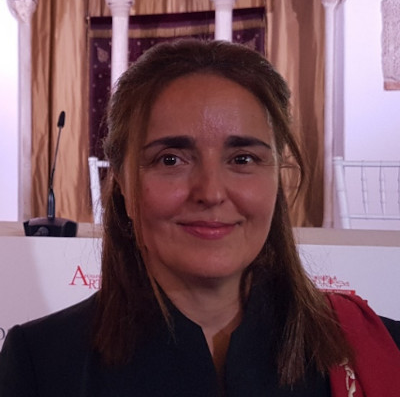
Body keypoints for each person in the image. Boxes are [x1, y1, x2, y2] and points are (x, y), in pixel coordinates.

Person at [0, 39, 399, 397]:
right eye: (170, 160)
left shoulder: (380, 350)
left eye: (243, 159)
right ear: (121, 182)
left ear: (278, 175)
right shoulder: (40, 364)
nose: (210, 192)